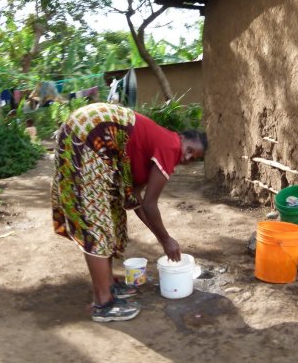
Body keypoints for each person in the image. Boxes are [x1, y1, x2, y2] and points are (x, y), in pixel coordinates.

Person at [51, 103, 207, 323]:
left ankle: (108, 284)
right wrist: (166, 240)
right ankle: (103, 303)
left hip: (89, 133)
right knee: (96, 222)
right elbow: (151, 205)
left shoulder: (152, 146)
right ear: (181, 137)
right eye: (190, 150)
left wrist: (162, 237)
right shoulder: (170, 146)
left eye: (194, 158)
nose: (188, 157)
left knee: (112, 215)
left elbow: (138, 202)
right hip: (89, 134)